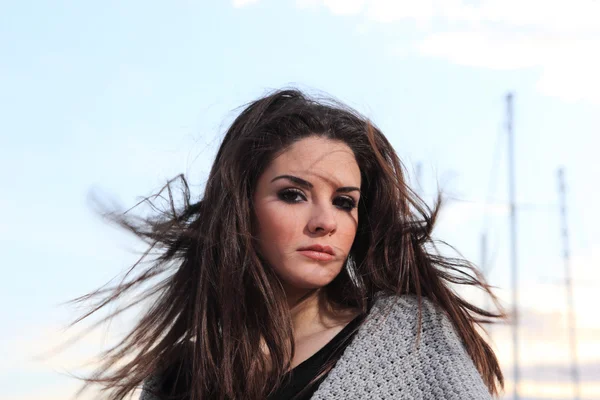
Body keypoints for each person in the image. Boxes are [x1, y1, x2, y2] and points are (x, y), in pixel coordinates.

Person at [71, 89, 504, 399]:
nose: (324, 223)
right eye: (293, 195)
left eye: (344, 202)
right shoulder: (177, 375)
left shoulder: (410, 337)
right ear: (242, 208)